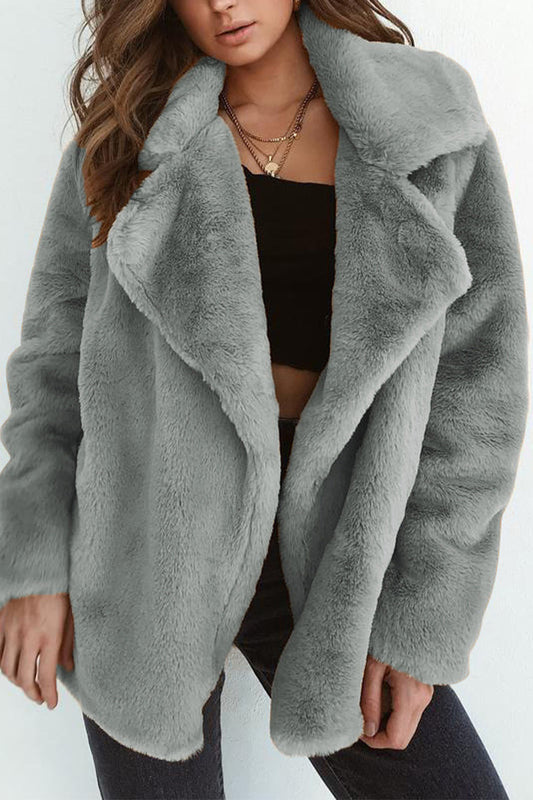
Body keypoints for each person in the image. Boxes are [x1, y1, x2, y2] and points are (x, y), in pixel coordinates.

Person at [0, 0, 528, 798]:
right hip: (145, 555)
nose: (222, 3)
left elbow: (478, 394)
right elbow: (51, 362)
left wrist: (420, 618)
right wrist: (34, 563)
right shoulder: (127, 138)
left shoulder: (429, 123)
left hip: (336, 558)